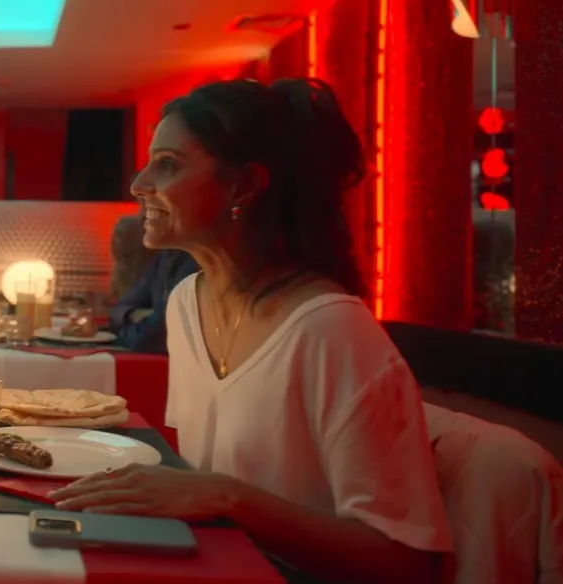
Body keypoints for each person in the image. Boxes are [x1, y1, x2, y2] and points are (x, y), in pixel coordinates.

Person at [49, 79, 452, 582]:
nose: (138, 184)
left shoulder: (331, 329)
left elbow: (405, 564)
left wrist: (227, 497)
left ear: (243, 186)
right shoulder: (187, 302)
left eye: (167, 164)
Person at [108, 249, 199, 354]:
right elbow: (119, 309)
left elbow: (165, 327)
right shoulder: (163, 259)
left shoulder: (196, 262)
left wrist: (124, 334)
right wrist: (134, 315)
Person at [109, 215, 153, 299]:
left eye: (120, 236)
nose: (116, 242)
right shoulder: (120, 269)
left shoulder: (150, 271)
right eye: (116, 237)